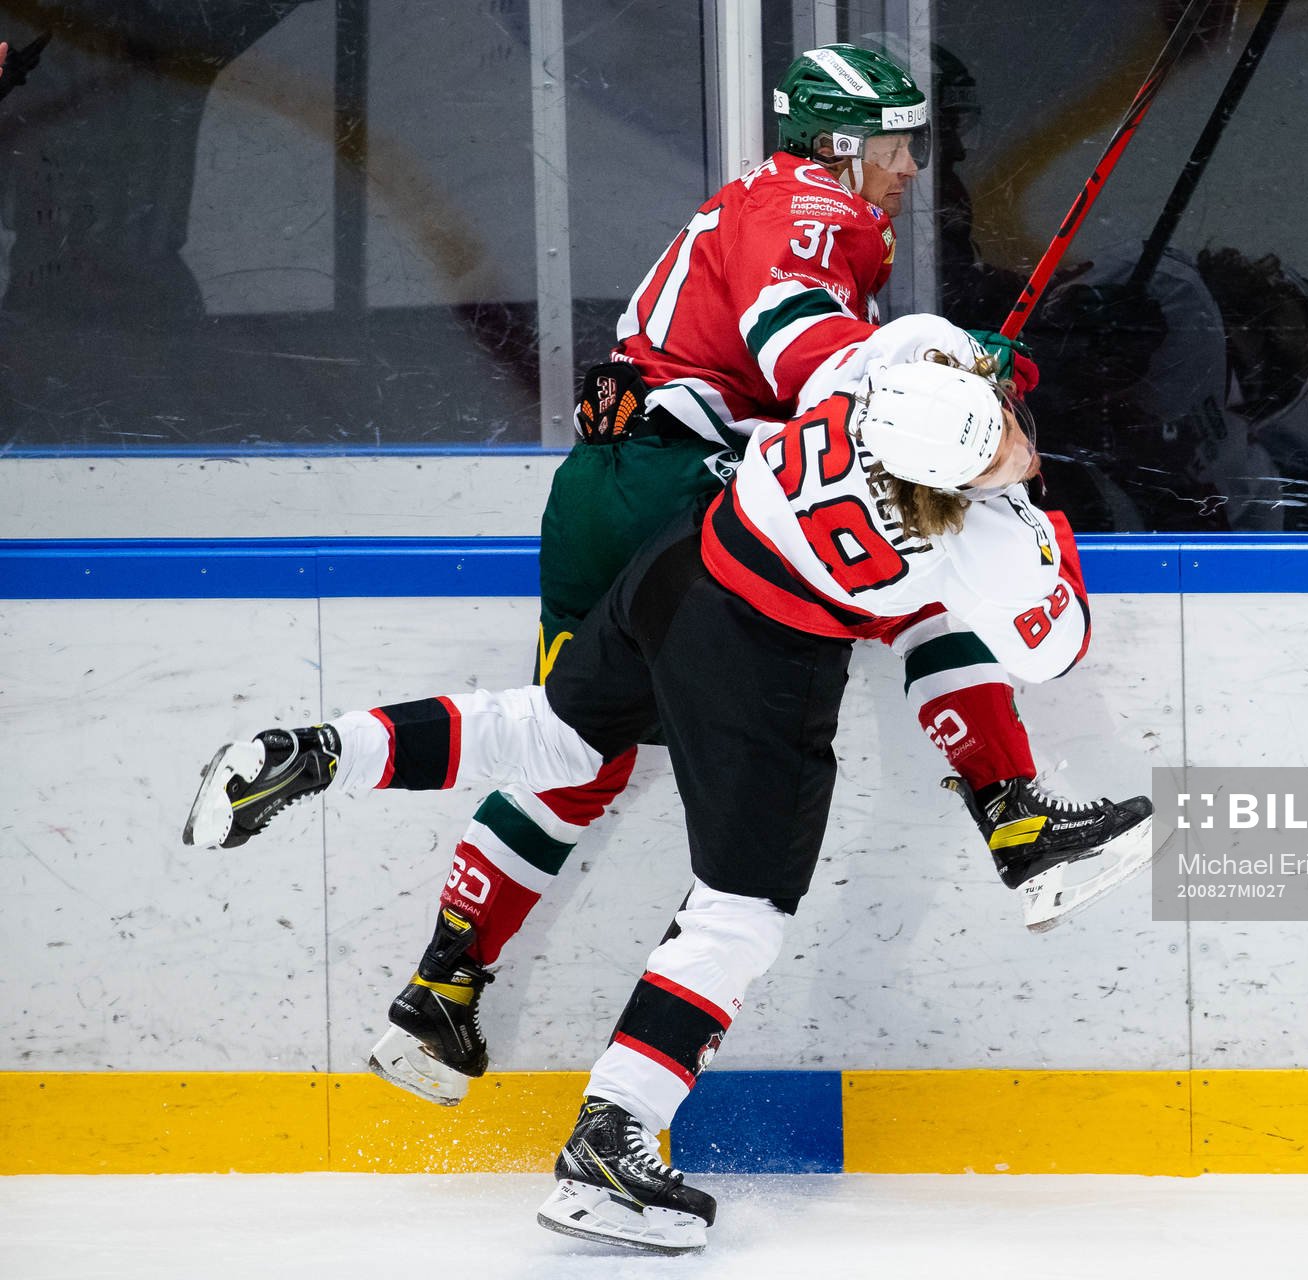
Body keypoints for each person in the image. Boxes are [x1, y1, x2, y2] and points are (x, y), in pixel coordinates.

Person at [285, 43, 1150, 1109]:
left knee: (573, 745)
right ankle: (1015, 816)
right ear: (838, 144)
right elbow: (806, 358)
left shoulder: (771, 202)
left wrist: (942, 371)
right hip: (678, 487)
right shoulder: (811, 210)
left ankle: (440, 988)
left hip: (611, 484)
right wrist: (955, 379)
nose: (911, 166)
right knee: (931, 589)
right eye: (894, 144)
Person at [184, 342, 1146, 1253]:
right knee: (741, 911)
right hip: (765, 668)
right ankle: (611, 1140)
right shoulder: (980, 543)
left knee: (552, 733)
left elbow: (883, 354)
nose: (1017, 444)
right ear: (946, 487)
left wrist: (967, 398)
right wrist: (1038, 524)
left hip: (682, 566)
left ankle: (314, 752)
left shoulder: (868, 392)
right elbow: (1052, 651)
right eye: (995, 449)